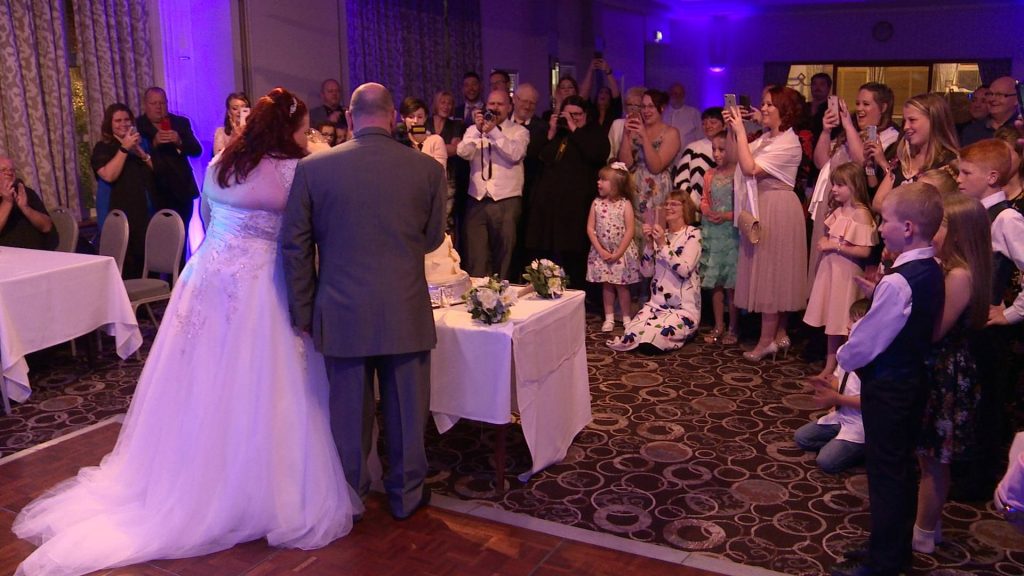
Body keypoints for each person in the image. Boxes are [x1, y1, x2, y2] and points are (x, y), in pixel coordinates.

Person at [12, 87, 358, 576]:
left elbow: (209, 218)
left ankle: (192, 470)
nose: (307, 138)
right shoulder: (292, 170)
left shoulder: (221, 163)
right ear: (289, 130)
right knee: (263, 384)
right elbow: (307, 227)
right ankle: (258, 488)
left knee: (201, 380)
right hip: (261, 285)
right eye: (302, 130)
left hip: (206, 279)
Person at [281, 82, 446, 520]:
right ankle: (407, 495)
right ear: (394, 117)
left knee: (349, 416)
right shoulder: (427, 170)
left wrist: (302, 309)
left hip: (341, 308)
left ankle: (351, 496)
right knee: (408, 413)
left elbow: (294, 247)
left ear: (350, 119)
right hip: (404, 307)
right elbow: (432, 240)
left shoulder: (314, 170)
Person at [830, 182, 945, 576]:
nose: (880, 228)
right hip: (911, 381)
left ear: (909, 227)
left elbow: (867, 341)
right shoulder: (931, 268)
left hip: (890, 386)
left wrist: (843, 356)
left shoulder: (899, 281)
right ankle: (887, 546)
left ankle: (886, 561)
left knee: (886, 475)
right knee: (896, 470)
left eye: (885, 221)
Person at [913, 192, 992, 554]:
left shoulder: (960, 275)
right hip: (942, 367)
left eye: (942, 224)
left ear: (959, 232)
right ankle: (931, 524)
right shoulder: (952, 268)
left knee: (934, 460)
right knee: (929, 456)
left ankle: (924, 533)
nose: (934, 230)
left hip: (947, 372)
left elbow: (935, 330)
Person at [724, 86, 807, 362]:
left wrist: (740, 131)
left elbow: (750, 168)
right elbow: (737, 158)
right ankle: (777, 335)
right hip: (765, 205)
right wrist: (736, 129)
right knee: (771, 272)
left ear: (784, 110)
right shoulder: (768, 138)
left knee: (774, 275)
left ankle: (766, 341)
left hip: (779, 208)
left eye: (770, 104)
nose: (765, 108)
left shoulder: (788, 142)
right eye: (764, 103)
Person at [809, 82, 897, 284]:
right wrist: (825, 131)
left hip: (854, 213)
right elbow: (821, 162)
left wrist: (848, 125)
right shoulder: (849, 135)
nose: (859, 109)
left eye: (866, 104)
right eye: (857, 103)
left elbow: (862, 165)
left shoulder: (889, 137)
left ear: (883, 107)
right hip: (831, 207)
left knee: (842, 274)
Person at [524, 95, 610, 288]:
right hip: (548, 207)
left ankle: (579, 295)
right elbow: (538, 158)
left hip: (576, 208)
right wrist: (552, 132)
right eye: (568, 114)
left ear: (585, 114)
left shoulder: (593, 133)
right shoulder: (556, 133)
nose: (572, 118)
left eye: (576, 114)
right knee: (545, 252)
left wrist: (575, 129)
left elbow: (597, 154)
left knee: (574, 255)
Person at [803, 163, 878, 380]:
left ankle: (843, 368)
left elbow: (864, 250)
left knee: (843, 319)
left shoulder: (861, 214)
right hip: (831, 268)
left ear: (854, 185)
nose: (834, 189)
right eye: (833, 184)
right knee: (831, 317)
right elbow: (831, 235)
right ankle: (829, 366)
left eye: (839, 185)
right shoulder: (838, 210)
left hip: (847, 271)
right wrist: (826, 240)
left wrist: (834, 246)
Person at [608, 190, 701, 353]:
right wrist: (650, 244)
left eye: (674, 204)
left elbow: (684, 270)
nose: (668, 207)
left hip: (682, 308)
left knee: (654, 338)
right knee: (632, 333)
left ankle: (683, 331)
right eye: (666, 204)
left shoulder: (693, 234)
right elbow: (646, 272)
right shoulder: (661, 235)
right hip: (656, 306)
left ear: (685, 208)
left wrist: (662, 245)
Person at [456, 89, 529, 280]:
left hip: (506, 201)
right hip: (477, 200)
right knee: (475, 256)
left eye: (500, 104)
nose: (495, 108)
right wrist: (478, 132)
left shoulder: (519, 131)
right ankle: (478, 301)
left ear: (509, 107)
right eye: (491, 104)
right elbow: (463, 152)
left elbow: (515, 154)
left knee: (504, 256)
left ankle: (504, 300)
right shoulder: (473, 130)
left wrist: (494, 132)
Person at [794, 298, 870, 474]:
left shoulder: (873, 359)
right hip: (842, 415)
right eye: (851, 320)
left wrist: (837, 398)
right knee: (801, 438)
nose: (850, 326)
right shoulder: (846, 349)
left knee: (826, 461)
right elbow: (839, 380)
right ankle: (840, 444)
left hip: (862, 424)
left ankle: (865, 448)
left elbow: (871, 400)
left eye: (857, 322)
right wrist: (826, 385)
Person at [92, 103, 155, 277]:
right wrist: (124, 148)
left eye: (127, 120)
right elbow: (109, 175)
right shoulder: (102, 148)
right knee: (125, 268)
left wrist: (140, 152)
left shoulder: (143, 144)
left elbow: (157, 171)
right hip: (118, 215)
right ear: (109, 124)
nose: (123, 124)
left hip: (144, 213)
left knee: (147, 265)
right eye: (118, 120)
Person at [872, 93, 959, 214]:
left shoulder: (947, 165)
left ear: (933, 121)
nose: (906, 127)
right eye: (904, 121)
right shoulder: (903, 158)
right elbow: (877, 203)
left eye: (912, 120)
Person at [618, 89, 681, 252]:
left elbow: (656, 166)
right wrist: (626, 135)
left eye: (651, 106)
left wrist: (644, 136)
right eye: (643, 107)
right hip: (635, 187)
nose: (646, 111)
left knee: (654, 236)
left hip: (657, 190)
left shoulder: (671, 133)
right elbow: (625, 164)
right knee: (634, 236)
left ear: (661, 108)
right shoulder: (635, 131)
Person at [136, 86, 202, 235]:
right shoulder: (138, 125)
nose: (159, 107)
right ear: (145, 105)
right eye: (154, 103)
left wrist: (179, 141)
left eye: (162, 103)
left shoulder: (180, 123)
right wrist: (154, 144)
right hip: (153, 191)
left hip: (181, 191)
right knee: (159, 239)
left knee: (180, 237)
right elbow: (136, 157)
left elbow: (197, 151)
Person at [586, 162, 640, 332]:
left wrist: (618, 253)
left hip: (620, 253)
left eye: (603, 180)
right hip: (602, 253)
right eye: (598, 179)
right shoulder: (596, 203)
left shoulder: (625, 204)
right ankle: (609, 318)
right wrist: (600, 250)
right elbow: (590, 228)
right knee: (607, 285)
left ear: (616, 184)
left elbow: (630, 230)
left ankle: (625, 318)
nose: (598, 183)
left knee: (622, 286)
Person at [699, 131, 740, 345]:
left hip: (732, 234)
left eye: (721, 149)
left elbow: (744, 208)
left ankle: (733, 327)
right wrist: (706, 210)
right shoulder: (709, 174)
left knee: (731, 285)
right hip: (714, 232)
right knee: (715, 283)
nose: (716, 153)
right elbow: (704, 199)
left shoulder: (738, 175)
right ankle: (718, 325)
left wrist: (725, 215)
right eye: (713, 149)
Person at [430, 90, 465, 235]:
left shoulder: (456, 126)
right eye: (443, 102)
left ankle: (449, 255)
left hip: (448, 178)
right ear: (436, 104)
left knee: (447, 221)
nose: (446, 106)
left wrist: (429, 145)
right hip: (427, 177)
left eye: (450, 103)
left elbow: (455, 150)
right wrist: (446, 147)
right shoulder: (425, 121)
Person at [673, 107, 724, 208]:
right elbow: (680, 180)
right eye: (704, 123)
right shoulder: (693, 148)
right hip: (695, 208)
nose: (708, 126)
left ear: (724, 124)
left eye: (713, 122)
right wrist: (697, 203)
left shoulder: (733, 148)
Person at [0, 156, 55, 250]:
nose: (9, 172)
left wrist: (25, 208)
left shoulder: (26, 193)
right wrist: (8, 202)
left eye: (12, 170)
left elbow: (47, 227)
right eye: (3, 169)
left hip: (36, 254)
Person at [960, 76, 1021, 146]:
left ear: (1017, 99)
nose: (992, 99)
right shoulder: (972, 131)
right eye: (990, 94)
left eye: (999, 95)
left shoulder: (1020, 128)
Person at [398, 97, 447, 168]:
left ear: (425, 118)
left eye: (420, 117)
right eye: (411, 117)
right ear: (403, 118)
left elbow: (441, 172)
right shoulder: (399, 142)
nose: (415, 121)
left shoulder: (436, 141)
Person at [579, 57, 621, 135]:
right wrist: (590, 70)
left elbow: (616, 93)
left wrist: (608, 71)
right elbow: (583, 95)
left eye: (606, 93)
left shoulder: (614, 112)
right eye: (601, 92)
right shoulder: (591, 111)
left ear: (610, 98)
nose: (603, 94)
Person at [662, 83, 702, 152]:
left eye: (680, 94)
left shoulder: (693, 113)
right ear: (669, 94)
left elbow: (701, 136)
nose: (677, 96)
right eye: (675, 93)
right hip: (664, 157)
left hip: (687, 157)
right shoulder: (662, 113)